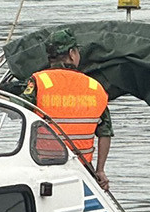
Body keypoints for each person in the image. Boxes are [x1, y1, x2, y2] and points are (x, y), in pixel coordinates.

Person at [9, 27, 112, 189]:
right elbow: (105, 132)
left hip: (44, 167)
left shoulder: (38, 82)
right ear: (72, 54)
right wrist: (100, 170)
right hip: (82, 169)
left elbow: (16, 110)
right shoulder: (94, 87)